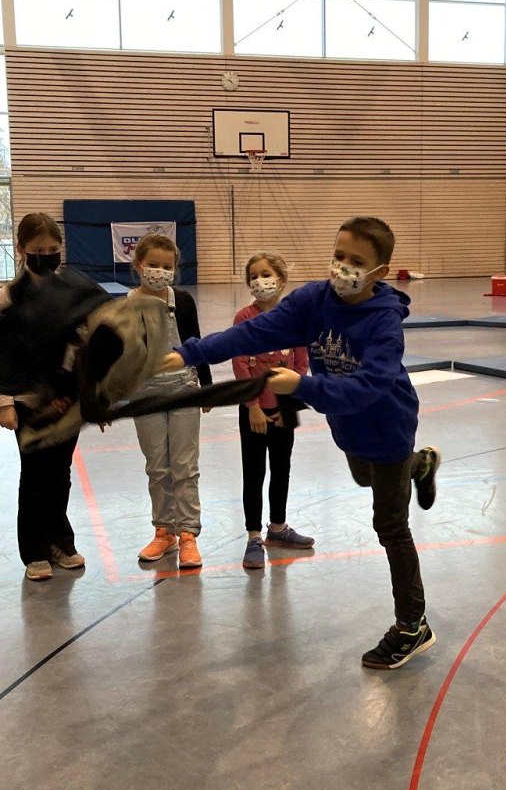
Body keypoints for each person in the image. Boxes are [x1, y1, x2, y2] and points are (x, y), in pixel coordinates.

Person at [163, 216, 441, 669]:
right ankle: (421, 465)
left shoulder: (384, 322)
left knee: (391, 526)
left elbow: (368, 388)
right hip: (348, 428)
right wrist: (189, 352)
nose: (343, 267)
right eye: (339, 255)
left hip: (387, 427)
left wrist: (301, 386)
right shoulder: (315, 300)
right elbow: (253, 332)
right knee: (363, 475)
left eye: (356, 261)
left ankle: (413, 626)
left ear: (380, 272)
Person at [0, 212, 86, 581]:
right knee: (35, 475)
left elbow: (81, 350)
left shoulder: (70, 294)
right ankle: (34, 549)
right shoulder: (7, 300)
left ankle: (59, 541)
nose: (46, 256)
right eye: (38, 249)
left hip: (66, 402)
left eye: (53, 249)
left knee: (60, 473)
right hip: (27, 404)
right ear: (21, 249)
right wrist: (5, 402)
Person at [129, 233, 212, 569]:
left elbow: (196, 343)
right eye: (153, 264)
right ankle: (164, 531)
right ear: (138, 265)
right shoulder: (126, 306)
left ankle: (188, 534)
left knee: (184, 466)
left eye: (167, 266)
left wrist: (206, 386)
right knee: (157, 467)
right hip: (144, 395)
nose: (159, 271)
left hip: (184, 389)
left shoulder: (183, 302)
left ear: (175, 269)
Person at [233, 252, 313, 570]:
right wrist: (253, 406)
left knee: (282, 468)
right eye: (253, 276)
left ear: (281, 279)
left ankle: (278, 528)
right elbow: (241, 363)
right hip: (254, 409)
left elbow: (301, 364)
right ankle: (254, 536)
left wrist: (286, 403)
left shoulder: (295, 318)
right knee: (254, 472)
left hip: (285, 407)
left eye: (265, 274)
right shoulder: (244, 318)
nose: (259, 281)